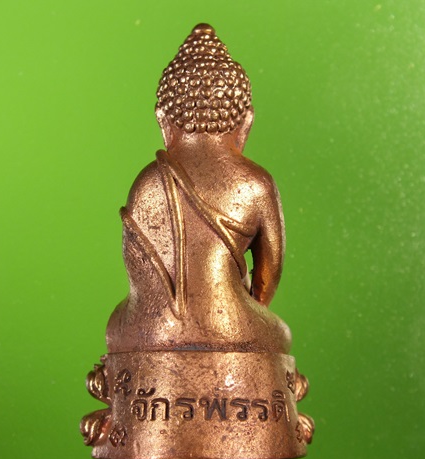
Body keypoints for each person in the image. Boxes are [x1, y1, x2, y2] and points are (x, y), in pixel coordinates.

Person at [106, 24, 291, 354]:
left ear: (163, 121)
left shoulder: (147, 182)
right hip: (230, 325)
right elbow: (268, 277)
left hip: (150, 330)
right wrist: (247, 308)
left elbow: (138, 277)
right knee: (278, 331)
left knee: (116, 325)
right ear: (245, 122)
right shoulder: (255, 183)